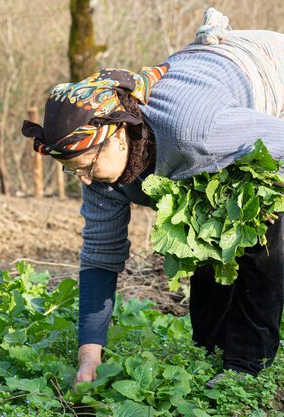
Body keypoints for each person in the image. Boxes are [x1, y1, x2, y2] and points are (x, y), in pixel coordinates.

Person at [21, 8, 284, 386]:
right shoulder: (98, 167)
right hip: (200, 112)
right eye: (72, 169)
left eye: (86, 165)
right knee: (206, 234)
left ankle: (246, 366)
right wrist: (89, 356)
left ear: (117, 134)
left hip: (267, 73)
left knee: (258, 230)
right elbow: (100, 257)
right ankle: (210, 349)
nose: (83, 177)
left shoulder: (195, 132)